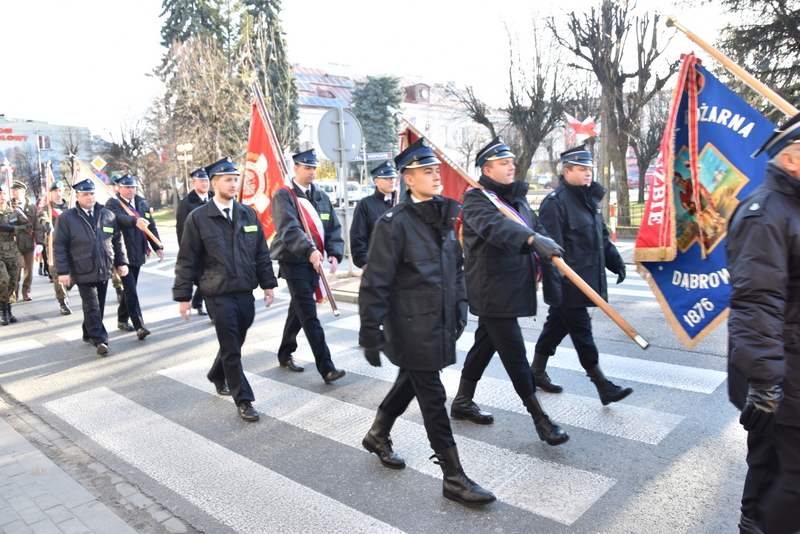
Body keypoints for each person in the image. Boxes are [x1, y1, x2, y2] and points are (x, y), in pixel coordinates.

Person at [359, 138, 495, 508]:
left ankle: (377, 433)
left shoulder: (443, 218)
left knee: (410, 380)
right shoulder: (393, 224)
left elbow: (456, 269)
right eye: (427, 171)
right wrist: (371, 331)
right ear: (407, 178)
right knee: (433, 396)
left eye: (436, 170)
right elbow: (376, 281)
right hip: (409, 324)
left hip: (439, 321)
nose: (436, 176)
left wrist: (461, 306)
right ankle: (453, 476)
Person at [453, 137, 569, 446]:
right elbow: (497, 228)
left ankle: (463, 401)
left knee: (485, 344)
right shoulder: (476, 200)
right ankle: (541, 420)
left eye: (511, 162)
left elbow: (534, 226)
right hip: (492, 290)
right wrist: (531, 241)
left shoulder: (515, 199)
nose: (511, 166)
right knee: (515, 354)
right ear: (487, 169)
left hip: (513, 287)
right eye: (504, 163)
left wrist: (549, 244)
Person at [727, 113, 800, 534]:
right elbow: (756, 302)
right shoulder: (765, 213)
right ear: (790, 160)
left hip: (782, 366)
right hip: (783, 369)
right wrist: (766, 382)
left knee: (768, 461)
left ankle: (754, 522)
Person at [173, 157, 277, 423]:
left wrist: (267, 283)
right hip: (217, 293)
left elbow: (260, 252)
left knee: (237, 339)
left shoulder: (247, 213)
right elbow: (187, 259)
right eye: (228, 179)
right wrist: (184, 296)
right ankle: (244, 400)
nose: (233, 184)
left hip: (244, 290)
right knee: (231, 346)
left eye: (235, 179)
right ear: (214, 183)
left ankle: (217, 374)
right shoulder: (198, 218)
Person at [531, 145, 632, 405]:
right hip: (570, 283)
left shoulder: (588, 199)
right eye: (582, 169)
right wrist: (557, 288)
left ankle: (536, 372)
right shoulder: (555, 203)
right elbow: (551, 250)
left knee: (557, 327)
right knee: (582, 333)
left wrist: (615, 260)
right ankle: (603, 385)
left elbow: (601, 237)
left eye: (589, 168)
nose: (588, 173)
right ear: (566, 172)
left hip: (588, 278)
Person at [270, 149, 346, 382]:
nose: (312, 172)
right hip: (294, 261)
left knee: (299, 310)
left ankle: (284, 353)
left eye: (314, 168)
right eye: (307, 168)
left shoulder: (321, 196)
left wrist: (333, 252)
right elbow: (288, 229)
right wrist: (309, 250)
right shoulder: (284, 196)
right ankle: (327, 367)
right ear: (296, 169)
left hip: (316, 263)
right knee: (309, 315)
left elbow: (332, 227)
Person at [53, 179, 128, 356]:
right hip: (81, 268)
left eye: (92, 193)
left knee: (98, 305)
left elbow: (117, 240)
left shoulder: (107, 215)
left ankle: (88, 332)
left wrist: (121, 262)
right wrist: (62, 272)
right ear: (77, 196)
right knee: (92, 304)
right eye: (85, 194)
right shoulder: (67, 218)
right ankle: (100, 339)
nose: (89, 197)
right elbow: (60, 246)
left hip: (103, 267)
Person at [105, 173, 164, 340]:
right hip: (122, 253)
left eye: (133, 187)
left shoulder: (141, 202)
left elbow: (150, 225)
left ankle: (122, 319)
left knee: (130, 288)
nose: (131, 190)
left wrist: (157, 245)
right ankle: (139, 326)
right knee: (130, 289)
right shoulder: (113, 203)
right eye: (127, 187)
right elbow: (118, 219)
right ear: (119, 188)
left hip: (138, 252)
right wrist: (134, 221)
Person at [176, 166, 213, 316]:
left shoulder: (214, 198)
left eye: (206, 180)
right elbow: (182, 230)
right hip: (198, 248)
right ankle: (213, 313)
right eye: (201, 180)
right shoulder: (186, 203)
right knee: (205, 279)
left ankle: (197, 302)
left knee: (208, 278)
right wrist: (187, 251)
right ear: (193, 183)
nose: (204, 183)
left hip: (213, 247)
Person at [350, 161, 398, 270]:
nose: (392, 181)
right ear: (377, 181)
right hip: (376, 265)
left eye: (393, 178)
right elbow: (358, 235)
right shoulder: (365, 204)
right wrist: (363, 262)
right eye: (387, 178)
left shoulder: (400, 204)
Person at [36, 180, 72, 315]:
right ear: (50, 193)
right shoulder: (47, 208)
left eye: (59, 190)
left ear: (63, 191)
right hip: (54, 245)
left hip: (72, 244)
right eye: (54, 191)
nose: (57, 193)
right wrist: (47, 224)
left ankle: (65, 289)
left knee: (74, 273)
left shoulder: (70, 206)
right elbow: (41, 216)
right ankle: (63, 302)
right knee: (57, 273)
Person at [0, 182, 31, 325]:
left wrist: (12, 228)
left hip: (11, 252)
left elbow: (28, 226)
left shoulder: (15, 211)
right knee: (3, 280)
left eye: (3, 193)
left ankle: (8, 309)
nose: (1, 196)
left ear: (7, 196)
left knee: (12, 282)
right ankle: (2, 311)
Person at [10, 180, 38, 302]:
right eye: (12, 190)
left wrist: (40, 242)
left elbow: (37, 225)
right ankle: (14, 292)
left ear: (22, 191)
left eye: (15, 190)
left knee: (29, 270)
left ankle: (26, 292)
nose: (13, 192)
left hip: (28, 242)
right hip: (14, 242)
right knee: (15, 269)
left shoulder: (31, 207)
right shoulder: (8, 206)